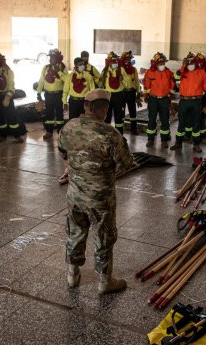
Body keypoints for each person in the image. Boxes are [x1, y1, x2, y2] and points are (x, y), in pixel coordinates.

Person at [57, 88, 135, 294]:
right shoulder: (111, 134)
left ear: (85, 106)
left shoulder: (69, 127)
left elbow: (63, 152)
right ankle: (104, 282)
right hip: (101, 199)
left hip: (75, 195)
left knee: (75, 232)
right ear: (105, 109)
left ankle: (72, 276)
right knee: (103, 236)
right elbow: (127, 163)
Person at [171, 53, 206, 152]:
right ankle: (178, 143)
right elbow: (175, 77)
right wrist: (183, 66)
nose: (190, 66)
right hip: (184, 101)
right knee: (181, 122)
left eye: (192, 63)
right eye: (188, 64)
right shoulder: (183, 72)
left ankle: (196, 144)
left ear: (196, 63)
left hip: (196, 101)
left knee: (196, 123)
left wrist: (205, 101)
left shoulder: (202, 73)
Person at [0, 52, 26, 142]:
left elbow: (12, 86)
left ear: (0, 61)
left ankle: (17, 135)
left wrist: (7, 97)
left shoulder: (9, 72)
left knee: (11, 116)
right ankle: (3, 135)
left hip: (7, 96)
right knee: (0, 117)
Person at [143, 52, 175, 148]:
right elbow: (146, 86)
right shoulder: (149, 72)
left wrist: (170, 96)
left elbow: (173, 86)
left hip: (164, 100)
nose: (162, 65)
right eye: (160, 63)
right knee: (152, 119)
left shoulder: (168, 72)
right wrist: (145, 95)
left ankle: (164, 140)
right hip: (153, 99)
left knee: (165, 120)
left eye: (163, 63)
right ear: (155, 63)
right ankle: (150, 139)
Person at [37, 49, 67, 140]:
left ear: (57, 58)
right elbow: (41, 80)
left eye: (52, 57)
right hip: (48, 94)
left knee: (59, 115)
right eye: (50, 57)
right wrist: (39, 92)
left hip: (58, 94)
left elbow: (67, 80)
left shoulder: (63, 68)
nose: (50, 59)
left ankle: (60, 132)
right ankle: (49, 131)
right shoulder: (46, 68)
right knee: (48, 114)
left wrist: (59, 72)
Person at [101, 52, 126, 134]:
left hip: (119, 95)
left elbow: (127, 83)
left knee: (119, 117)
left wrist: (122, 79)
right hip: (108, 95)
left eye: (115, 61)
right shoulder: (105, 71)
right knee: (107, 116)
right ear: (109, 61)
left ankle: (119, 135)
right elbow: (101, 82)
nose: (114, 63)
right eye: (112, 61)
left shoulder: (121, 70)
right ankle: (107, 134)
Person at [120, 51, 142, 135]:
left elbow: (137, 82)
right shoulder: (119, 69)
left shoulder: (133, 69)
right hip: (122, 93)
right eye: (126, 59)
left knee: (133, 111)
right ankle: (120, 129)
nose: (127, 61)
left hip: (131, 92)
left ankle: (134, 129)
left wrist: (138, 94)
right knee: (121, 112)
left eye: (129, 59)